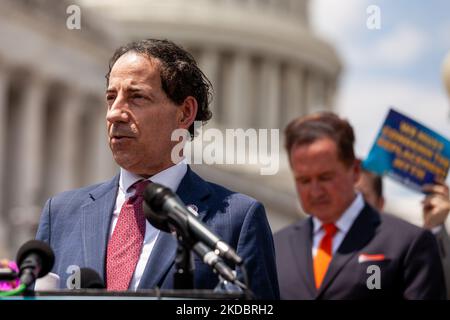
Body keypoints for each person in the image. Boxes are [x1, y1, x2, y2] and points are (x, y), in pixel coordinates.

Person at [35, 39, 279, 299]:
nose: (114, 113)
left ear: (185, 113)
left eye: (136, 97)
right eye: (110, 97)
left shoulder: (237, 220)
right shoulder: (60, 214)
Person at [274, 111, 446, 299]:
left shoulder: (408, 243)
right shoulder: (275, 247)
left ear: (355, 170)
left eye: (325, 178)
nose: (315, 191)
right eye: (304, 180)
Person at [356, 168, 450, 299]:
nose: (351, 205)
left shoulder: (402, 249)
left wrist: (434, 228)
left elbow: (436, 288)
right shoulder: (318, 242)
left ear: (380, 203)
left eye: (360, 196)